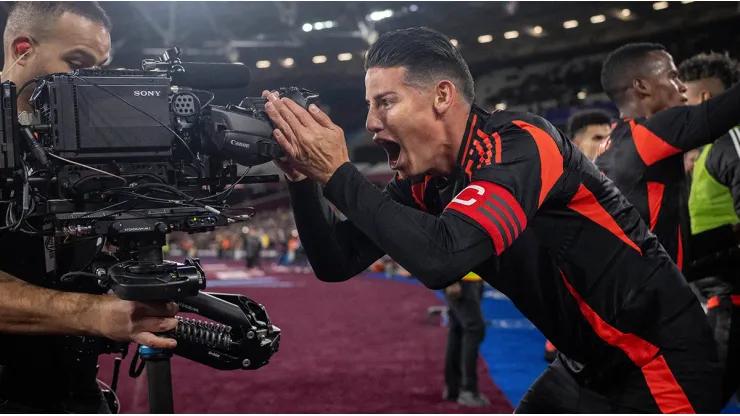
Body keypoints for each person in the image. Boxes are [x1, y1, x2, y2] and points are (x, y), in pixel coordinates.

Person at [265, 27, 721, 413]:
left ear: (442, 95)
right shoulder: (425, 181)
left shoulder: (521, 142)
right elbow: (335, 261)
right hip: (586, 363)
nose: (371, 123)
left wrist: (339, 174)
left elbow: (443, 256)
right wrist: (304, 180)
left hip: (658, 357)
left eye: (384, 102)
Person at [0, 3, 178, 413]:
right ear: (21, 48)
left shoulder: (84, 151)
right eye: (76, 63)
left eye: (99, 67)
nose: (90, 82)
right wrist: (93, 314)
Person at [594, 43, 740, 272]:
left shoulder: (612, 143)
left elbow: (669, 249)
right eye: (673, 76)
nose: (682, 87)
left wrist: (730, 234)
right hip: (649, 296)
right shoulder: (649, 133)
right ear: (642, 86)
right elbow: (724, 110)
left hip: (627, 287)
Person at [679, 51, 740, 407]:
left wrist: (695, 259)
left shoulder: (731, 141)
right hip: (720, 300)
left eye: (682, 97)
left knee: (693, 403)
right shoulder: (712, 147)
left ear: (702, 100)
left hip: (732, 303)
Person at [542, 109, 615, 362]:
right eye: (596, 138)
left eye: (608, 138)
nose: (605, 144)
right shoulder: (557, 181)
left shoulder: (612, 179)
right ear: (575, 143)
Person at [443, 272, 488, 407]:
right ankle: (468, 389)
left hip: (468, 278)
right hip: (463, 279)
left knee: (458, 330)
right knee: (474, 329)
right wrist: (450, 279)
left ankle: (454, 388)